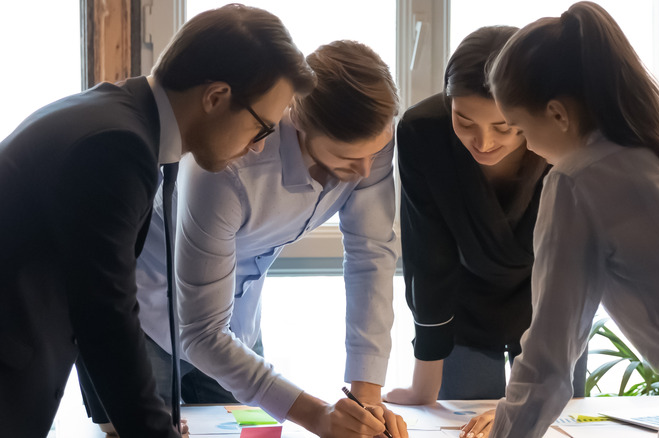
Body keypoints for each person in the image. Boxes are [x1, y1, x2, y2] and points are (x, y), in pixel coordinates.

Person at [460, 2, 659, 438]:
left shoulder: (577, 179)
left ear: (557, 113)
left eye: (518, 127)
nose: (526, 147)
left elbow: (550, 361)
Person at [0, 4, 315, 438]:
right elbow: (105, 313)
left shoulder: (121, 120)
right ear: (216, 97)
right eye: (262, 128)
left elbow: (90, 287)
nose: (259, 148)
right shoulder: (118, 147)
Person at [128, 40, 403, 438]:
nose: (365, 172)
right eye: (348, 159)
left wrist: (366, 403)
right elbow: (202, 333)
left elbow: (371, 255)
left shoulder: (369, 145)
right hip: (148, 312)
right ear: (302, 124)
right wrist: (318, 416)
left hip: (236, 321)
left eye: (374, 155)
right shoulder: (225, 166)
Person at [384, 26, 586, 405]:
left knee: (556, 421)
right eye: (464, 122)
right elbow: (428, 258)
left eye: (504, 127)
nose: (485, 142)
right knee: (463, 419)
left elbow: (575, 258)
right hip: (463, 305)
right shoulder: (422, 132)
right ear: (448, 103)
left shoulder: (563, 133)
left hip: (553, 295)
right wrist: (422, 387)